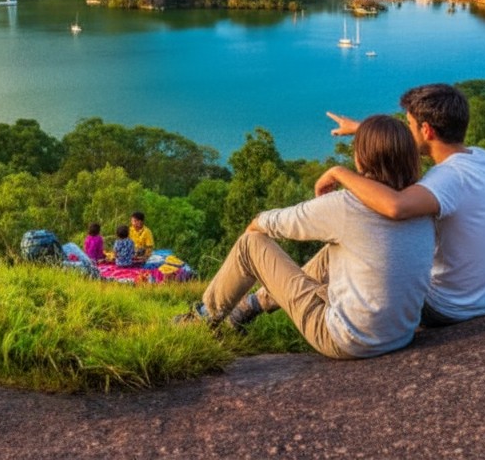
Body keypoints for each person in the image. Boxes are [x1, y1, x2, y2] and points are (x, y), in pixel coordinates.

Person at [180, 115, 434, 360]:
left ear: (361, 158)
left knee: (249, 245)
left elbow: (267, 223)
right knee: (331, 253)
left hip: (347, 340)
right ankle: (246, 309)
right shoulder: (420, 204)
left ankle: (202, 319)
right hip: (401, 334)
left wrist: (253, 242)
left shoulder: (345, 205)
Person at [314, 83, 485, 326]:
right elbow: (412, 140)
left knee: (342, 247)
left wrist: (339, 173)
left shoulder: (447, 179)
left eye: (409, 124)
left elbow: (396, 207)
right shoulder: (482, 157)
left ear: (427, 130)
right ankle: (260, 301)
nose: (407, 129)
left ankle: (267, 302)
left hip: (446, 308)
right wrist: (361, 128)